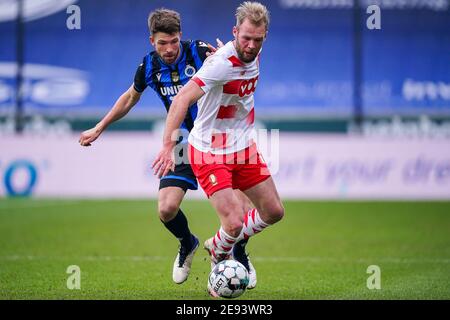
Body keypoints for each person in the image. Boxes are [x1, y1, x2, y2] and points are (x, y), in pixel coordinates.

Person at [78, 8, 255, 287]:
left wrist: (227, 55)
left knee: (241, 212)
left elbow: (230, 64)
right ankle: (188, 243)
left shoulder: (198, 52)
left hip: (220, 142)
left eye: (174, 41)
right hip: (184, 144)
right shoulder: (148, 66)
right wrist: (100, 127)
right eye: (163, 43)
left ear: (180, 36)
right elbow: (129, 99)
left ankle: (240, 252)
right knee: (166, 209)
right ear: (152, 41)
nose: (170, 49)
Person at [152, 2, 284, 294]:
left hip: (243, 147)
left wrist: (237, 48)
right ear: (235, 31)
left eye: (257, 40)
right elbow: (181, 99)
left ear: (265, 37)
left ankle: (220, 243)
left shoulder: (253, 51)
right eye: (245, 38)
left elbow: (246, 54)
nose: (250, 45)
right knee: (234, 222)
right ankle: (219, 259)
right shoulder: (220, 64)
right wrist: (167, 144)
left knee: (274, 211)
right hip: (210, 150)